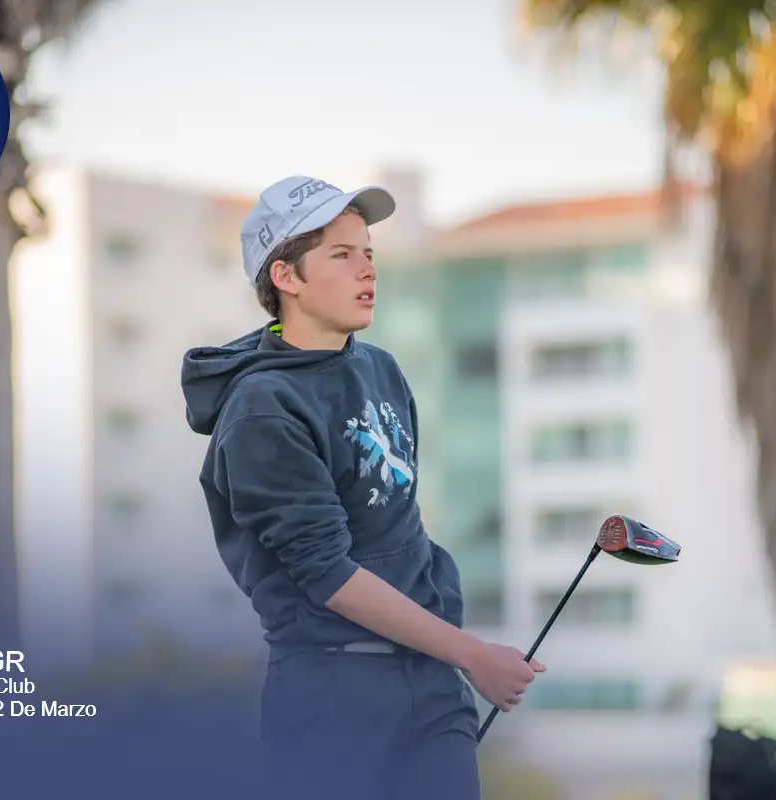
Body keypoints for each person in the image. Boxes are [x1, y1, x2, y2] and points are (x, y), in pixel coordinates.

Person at [180, 175, 545, 800]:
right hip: (333, 699)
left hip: (432, 686)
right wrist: (473, 654)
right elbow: (329, 575)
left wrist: (451, 656)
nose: (367, 270)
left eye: (369, 254)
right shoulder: (262, 409)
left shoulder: (381, 368)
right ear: (286, 277)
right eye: (342, 255)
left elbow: (400, 521)